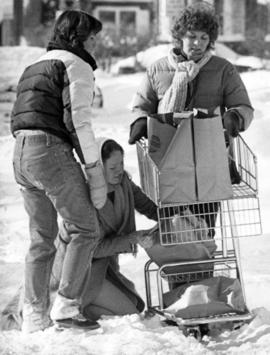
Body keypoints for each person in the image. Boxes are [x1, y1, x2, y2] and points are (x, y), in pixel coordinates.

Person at [10, 10, 107, 333]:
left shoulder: (34, 65)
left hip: (21, 154)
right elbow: (78, 120)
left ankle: (34, 314)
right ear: (79, 39)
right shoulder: (75, 65)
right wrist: (94, 169)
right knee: (85, 228)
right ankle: (66, 305)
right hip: (50, 151)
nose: (96, 45)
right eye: (93, 38)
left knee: (41, 239)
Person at [128, 2, 254, 236]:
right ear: (179, 37)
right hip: (168, 161)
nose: (197, 43)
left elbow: (243, 105)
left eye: (204, 38)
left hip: (210, 163)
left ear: (211, 40)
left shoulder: (223, 69)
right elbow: (142, 104)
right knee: (173, 232)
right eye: (191, 36)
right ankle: (179, 272)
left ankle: (204, 271)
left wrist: (234, 117)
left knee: (203, 230)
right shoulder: (159, 69)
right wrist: (140, 122)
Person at [51, 138, 158, 322]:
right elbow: (93, 248)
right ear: (99, 168)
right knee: (131, 313)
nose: (119, 171)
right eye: (113, 167)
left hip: (103, 267)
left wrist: (170, 216)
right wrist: (131, 239)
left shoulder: (123, 182)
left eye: (122, 164)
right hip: (81, 270)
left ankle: (85, 308)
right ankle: (74, 307)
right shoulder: (84, 195)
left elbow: (146, 205)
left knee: (134, 304)